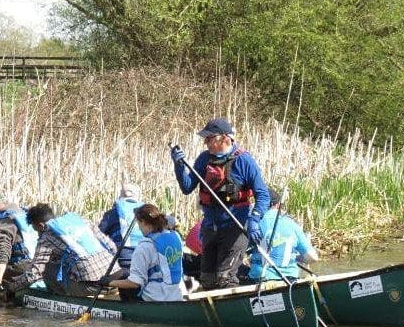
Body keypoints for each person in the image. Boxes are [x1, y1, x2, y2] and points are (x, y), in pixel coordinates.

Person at [170, 117, 271, 289]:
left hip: (235, 227)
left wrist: (254, 219)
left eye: (210, 138)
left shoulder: (244, 161)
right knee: (208, 279)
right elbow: (187, 187)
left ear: (224, 138)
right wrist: (179, 167)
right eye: (205, 139)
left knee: (225, 278)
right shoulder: (204, 159)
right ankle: (211, 312)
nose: (206, 142)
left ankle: (235, 312)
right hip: (210, 228)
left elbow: (263, 195)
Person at [4, 203, 122, 297]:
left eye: (36, 230)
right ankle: (110, 290)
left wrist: (11, 288)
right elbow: (111, 246)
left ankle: (59, 298)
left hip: (92, 287)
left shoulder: (46, 236)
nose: (38, 234)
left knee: (46, 267)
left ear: (41, 225)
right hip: (116, 277)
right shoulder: (80, 221)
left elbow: (34, 274)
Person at [107, 203, 185, 302]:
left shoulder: (144, 246)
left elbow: (134, 283)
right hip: (177, 294)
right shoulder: (176, 237)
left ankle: (134, 313)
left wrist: (109, 282)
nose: (139, 228)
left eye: (138, 224)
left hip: (157, 297)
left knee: (124, 287)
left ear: (143, 222)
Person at [0, 190, 40, 300]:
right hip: (40, 265)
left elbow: (2, 252)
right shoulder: (22, 212)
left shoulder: (4, 221)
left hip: (23, 268)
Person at [244, 188, 319, 282]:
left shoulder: (253, 224)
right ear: (278, 204)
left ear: (259, 204)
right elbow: (313, 257)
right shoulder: (292, 224)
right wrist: (296, 258)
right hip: (290, 279)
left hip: (261, 278)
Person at [97, 184, 145, 272]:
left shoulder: (112, 213)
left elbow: (98, 235)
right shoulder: (146, 213)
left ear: (120, 196)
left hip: (121, 260)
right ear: (137, 196)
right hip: (144, 260)